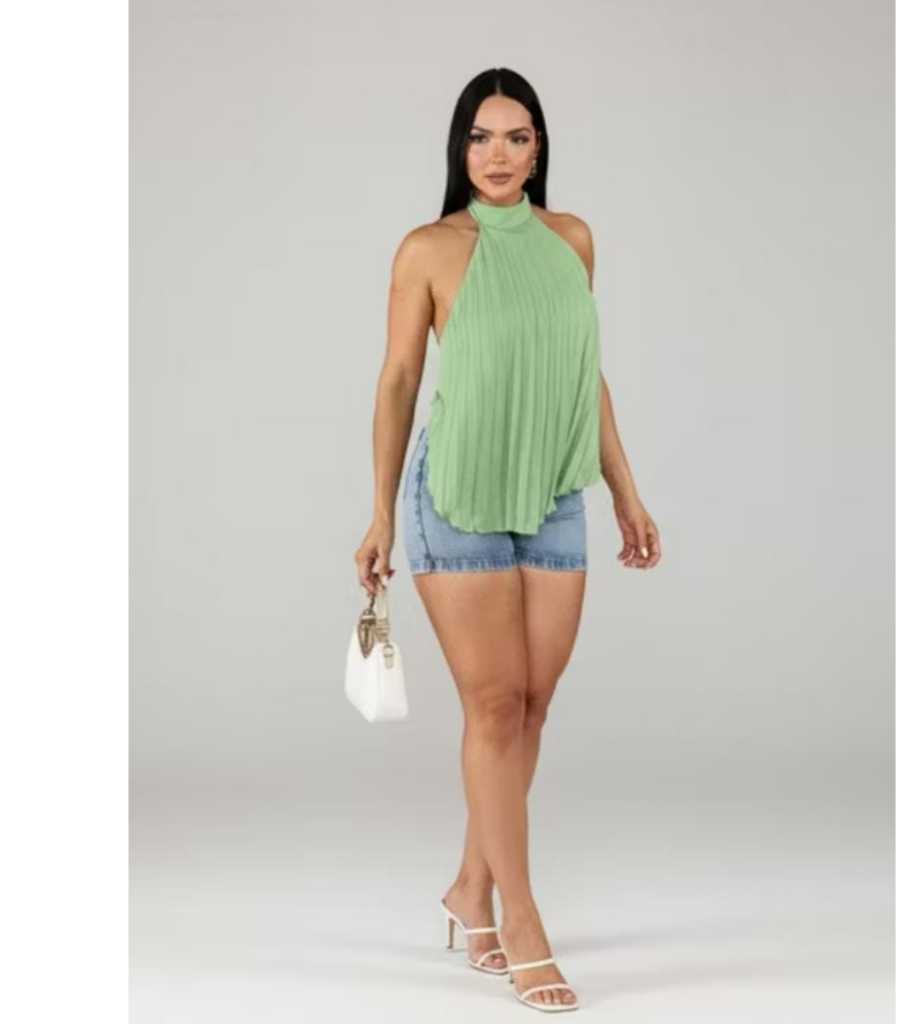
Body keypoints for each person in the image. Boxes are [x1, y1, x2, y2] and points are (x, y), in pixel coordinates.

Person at [354, 67, 661, 1013]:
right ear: (460, 148)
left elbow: (583, 371)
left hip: (554, 491)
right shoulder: (429, 248)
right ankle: (522, 922)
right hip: (458, 492)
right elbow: (399, 380)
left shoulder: (573, 240)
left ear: (538, 150)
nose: (497, 154)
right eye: (481, 137)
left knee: (531, 706)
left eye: (517, 137)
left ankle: (468, 888)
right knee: (492, 705)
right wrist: (379, 513)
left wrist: (625, 491)